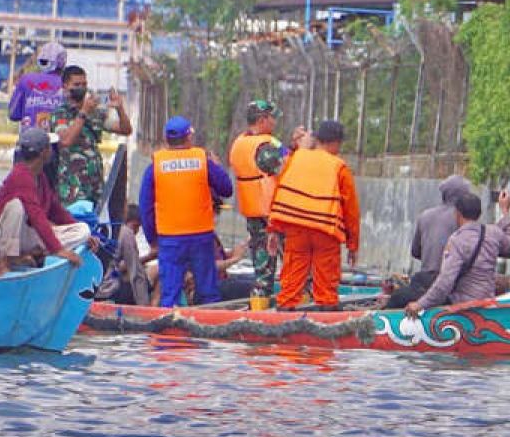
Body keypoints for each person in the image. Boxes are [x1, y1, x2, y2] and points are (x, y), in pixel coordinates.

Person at [138, 116, 233, 307]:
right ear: (189, 137)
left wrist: (152, 239)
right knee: (208, 293)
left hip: (169, 239)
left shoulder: (155, 166)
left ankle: (168, 329)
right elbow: (226, 189)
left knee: (170, 294)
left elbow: (145, 207)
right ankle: (210, 326)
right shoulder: (202, 161)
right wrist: (216, 165)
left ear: (166, 140)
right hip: (201, 237)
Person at [269, 120, 360, 311]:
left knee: (291, 279)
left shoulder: (296, 158)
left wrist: (273, 229)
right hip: (325, 230)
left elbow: (279, 191)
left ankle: (283, 317)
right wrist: (352, 245)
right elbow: (351, 210)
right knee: (326, 284)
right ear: (335, 142)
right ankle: (326, 319)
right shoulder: (339, 166)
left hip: (296, 229)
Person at [0, 127, 91, 271]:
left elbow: (57, 211)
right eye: (49, 147)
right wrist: (58, 250)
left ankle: (30, 254)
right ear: (44, 152)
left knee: (83, 230)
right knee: (16, 206)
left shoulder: (40, 177)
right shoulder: (20, 175)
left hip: (22, 240)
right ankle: (8, 261)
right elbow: (36, 215)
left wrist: (85, 236)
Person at [405, 190, 510, 318]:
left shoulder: (457, 240)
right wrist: (505, 212)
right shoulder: (493, 233)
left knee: (411, 286)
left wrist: (420, 304)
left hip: (464, 307)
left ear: (457, 214)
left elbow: (445, 283)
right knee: (421, 279)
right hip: (486, 300)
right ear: (479, 214)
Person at [49, 65, 133, 208]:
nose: (81, 88)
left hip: (95, 184)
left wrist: (119, 109)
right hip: (72, 186)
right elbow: (66, 141)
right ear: (65, 86)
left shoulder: (96, 112)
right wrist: (83, 112)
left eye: (84, 84)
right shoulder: (60, 114)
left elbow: (125, 129)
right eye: (76, 84)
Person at [384, 174, 473, 309]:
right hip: (450, 284)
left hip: (424, 280)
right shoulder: (464, 219)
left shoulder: (425, 215)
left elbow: (415, 252)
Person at [227, 99, 284, 297]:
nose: (274, 123)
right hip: (273, 214)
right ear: (262, 120)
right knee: (294, 263)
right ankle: (299, 304)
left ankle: (258, 307)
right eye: (272, 118)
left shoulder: (239, 143)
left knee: (262, 270)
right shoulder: (265, 147)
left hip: (253, 212)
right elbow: (286, 169)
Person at [7, 41, 66, 130]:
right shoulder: (67, 83)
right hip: (59, 139)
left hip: (28, 139)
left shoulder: (26, 79)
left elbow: (13, 114)